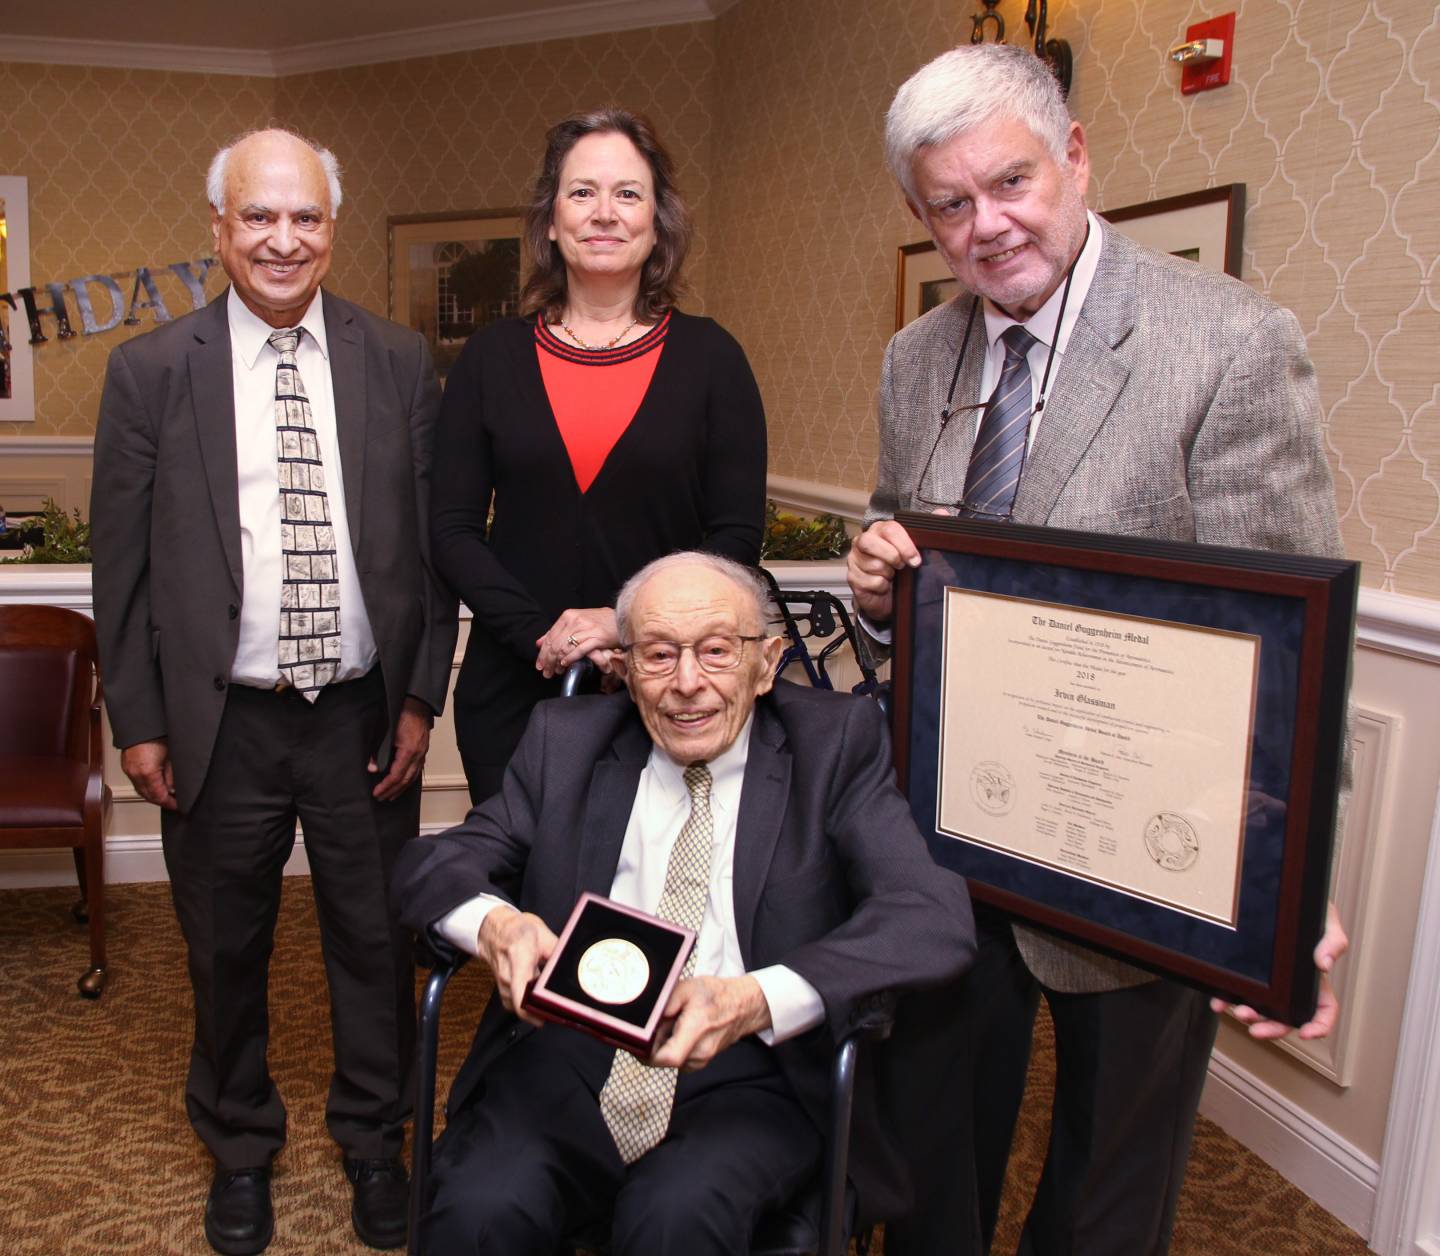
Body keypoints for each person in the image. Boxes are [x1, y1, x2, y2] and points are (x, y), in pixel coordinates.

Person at [846, 44, 1350, 1256]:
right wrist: (876, 590)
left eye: (1010, 182)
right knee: (929, 1165)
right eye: (950, 205)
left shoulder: (1227, 341)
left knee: (1107, 1192)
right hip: (953, 838)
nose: (987, 225)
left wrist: (1289, 874)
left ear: (1073, 156)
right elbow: (901, 561)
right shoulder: (916, 359)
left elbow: (1288, 650)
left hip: (1145, 858)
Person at [90, 128, 456, 1256]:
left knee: (375, 942)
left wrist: (419, 698)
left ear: (331, 228)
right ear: (220, 229)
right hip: (221, 722)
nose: (283, 239)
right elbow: (121, 566)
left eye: (305, 217)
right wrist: (140, 721)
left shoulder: (399, 361)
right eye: (259, 216)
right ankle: (241, 1145)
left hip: (361, 715)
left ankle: (375, 1140)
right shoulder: (152, 370)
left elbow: (432, 552)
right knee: (223, 947)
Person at [392, 551, 976, 1254]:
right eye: (660, 655)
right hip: (574, 1050)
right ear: (625, 668)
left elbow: (929, 914)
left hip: (753, 1069)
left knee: (676, 1219)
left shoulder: (833, 746)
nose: (688, 683)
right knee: (479, 1208)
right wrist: (495, 924)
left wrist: (756, 999)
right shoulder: (566, 740)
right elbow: (435, 863)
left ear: (767, 663)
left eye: (718, 651)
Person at [431, 107, 768, 805]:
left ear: (657, 223)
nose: (604, 213)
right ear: (551, 221)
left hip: (671, 689)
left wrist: (625, 624)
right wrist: (546, 638)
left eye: (628, 193)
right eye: (582, 192)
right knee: (521, 868)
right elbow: (453, 531)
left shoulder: (713, 358)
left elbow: (735, 536)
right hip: (512, 691)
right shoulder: (490, 359)